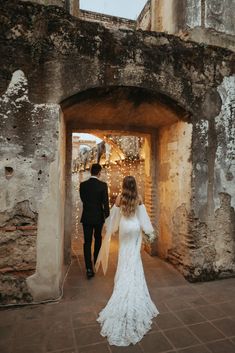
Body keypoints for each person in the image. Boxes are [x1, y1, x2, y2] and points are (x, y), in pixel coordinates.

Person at [95, 175, 159, 346]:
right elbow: (144, 218)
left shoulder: (119, 198)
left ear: (123, 185)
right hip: (135, 228)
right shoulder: (138, 198)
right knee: (134, 258)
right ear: (135, 185)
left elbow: (114, 217)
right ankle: (133, 280)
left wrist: (111, 229)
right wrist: (149, 232)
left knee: (124, 257)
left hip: (125, 228)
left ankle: (124, 281)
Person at [80, 163, 110, 279]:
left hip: (86, 217)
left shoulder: (83, 185)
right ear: (99, 173)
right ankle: (96, 260)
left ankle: (88, 268)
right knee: (98, 238)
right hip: (98, 218)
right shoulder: (103, 185)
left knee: (87, 242)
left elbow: (83, 200)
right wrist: (107, 218)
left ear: (90, 172)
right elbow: (105, 204)